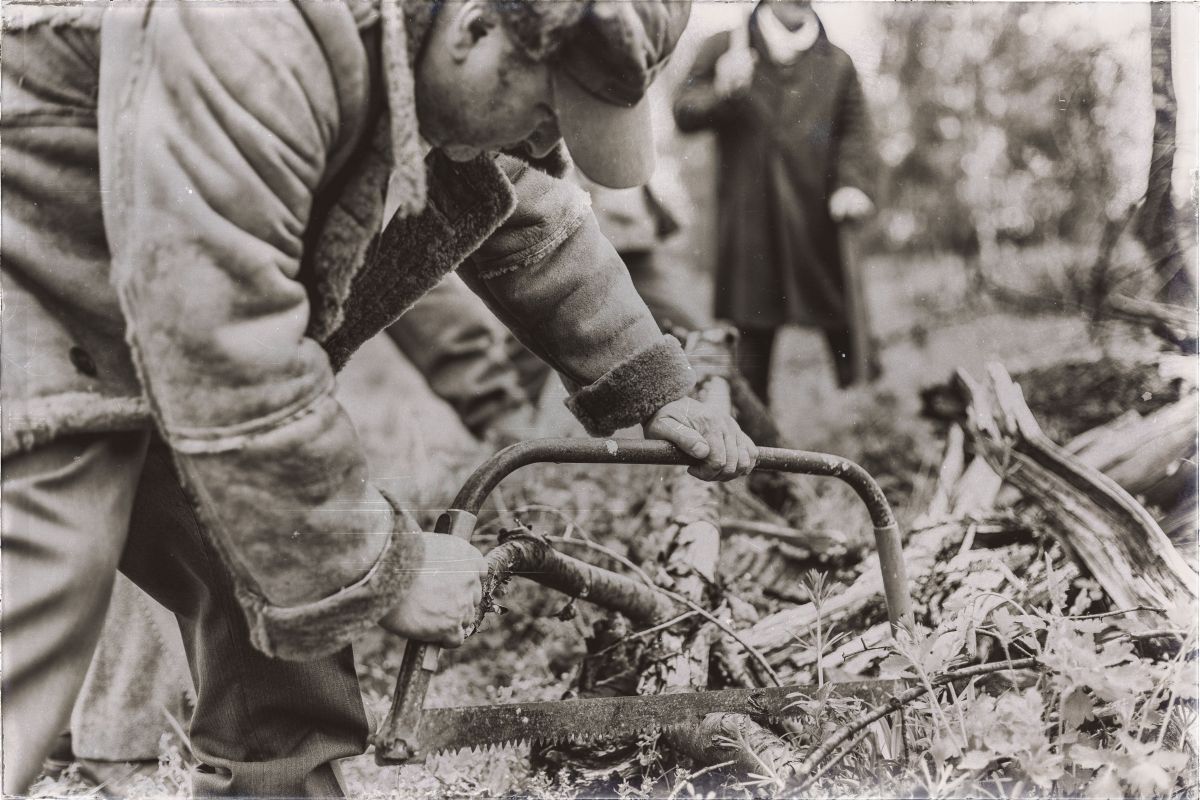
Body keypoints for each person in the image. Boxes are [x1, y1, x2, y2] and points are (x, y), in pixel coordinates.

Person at [1, 1, 761, 795]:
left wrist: (648, 378)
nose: (543, 143)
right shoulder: (259, 33)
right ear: (472, 29)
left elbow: (528, 219)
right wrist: (383, 567)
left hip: (147, 334)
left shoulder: (424, 71)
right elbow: (220, 338)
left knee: (273, 577)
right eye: (543, 109)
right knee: (49, 583)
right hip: (37, 308)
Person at [673, 0, 881, 404]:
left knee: (849, 334)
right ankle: (760, 453)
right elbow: (684, 110)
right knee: (752, 339)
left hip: (816, 217)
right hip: (752, 221)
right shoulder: (724, 48)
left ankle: (868, 425)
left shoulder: (837, 62)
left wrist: (851, 184)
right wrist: (724, 91)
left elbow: (856, 132)